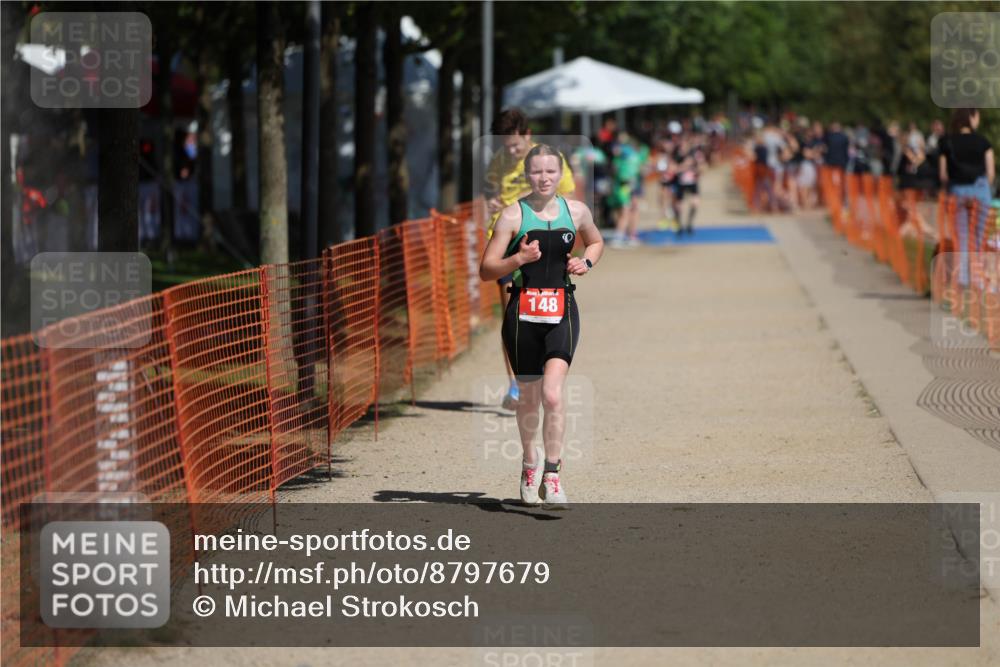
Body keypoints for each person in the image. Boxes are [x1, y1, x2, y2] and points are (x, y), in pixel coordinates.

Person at [479, 144, 604, 508]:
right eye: (537, 172)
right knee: (530, 401)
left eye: (550, 171)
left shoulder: (576, 211)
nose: (544, 178)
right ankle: (529, 462)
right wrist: (519, 257)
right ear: (527, 173)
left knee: (553, 394)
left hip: (562, 310)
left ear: (560, 173)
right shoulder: (511, 216)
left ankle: (553, 473)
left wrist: (587, 262)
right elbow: (487, 270)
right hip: (522, 316)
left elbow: (596, 242)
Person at [484, 108, 576, 409]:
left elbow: (569, 198)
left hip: (543, 241)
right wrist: (493, 202)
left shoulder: (545, 160)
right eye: (505, 146)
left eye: (514, 145)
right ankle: (516, 383)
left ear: (526, 135)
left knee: (542, 309)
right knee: (511, 313)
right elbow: (491, 196)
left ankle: (543, 373)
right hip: (506, 242)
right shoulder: (498, 162)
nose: (510, 151)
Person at [938, 108, 995, 288]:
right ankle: (977, 280)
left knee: (961, 237)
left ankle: (961, 279)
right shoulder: (983, 142)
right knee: (978, 239)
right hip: (980, 191)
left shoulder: (946, 143)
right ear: (971, 117)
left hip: (958, 192)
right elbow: (991, 172)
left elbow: (943, 175)